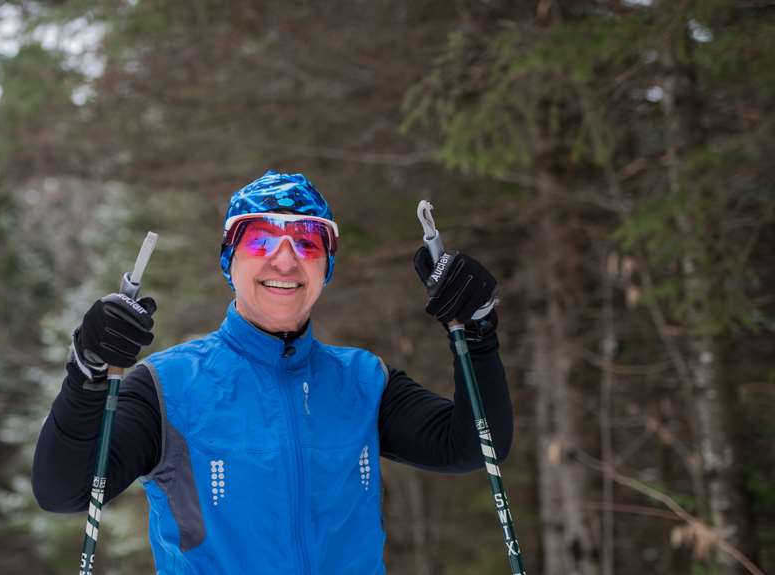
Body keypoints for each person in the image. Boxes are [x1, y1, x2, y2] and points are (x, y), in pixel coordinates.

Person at [32, 170, 514, 574]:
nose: (284, 259)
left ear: (325, 266)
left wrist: (476, 333)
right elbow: (64, 491)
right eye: (262, 237)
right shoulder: (168, 389)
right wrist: (87, 373)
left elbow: (474, 447)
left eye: (306, 242)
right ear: (230, 259)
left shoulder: (363, 382)